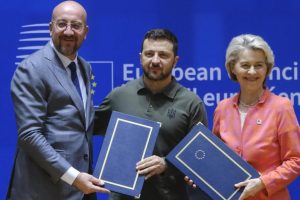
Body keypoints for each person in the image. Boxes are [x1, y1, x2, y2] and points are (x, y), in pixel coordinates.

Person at [7, 1, 110, 199]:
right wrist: (73, 176)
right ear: (50, 27)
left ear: (86, 31)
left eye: (76, 25)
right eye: (62, 24)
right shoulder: (32, 69)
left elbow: (79, 123)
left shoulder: (84, 67)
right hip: (44, 190)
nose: (69, 31)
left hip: (82, 188)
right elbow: (30, 135)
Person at [94, 28, 210, 200]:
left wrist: (166, 163)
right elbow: (85, 131)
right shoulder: (119, 96)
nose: (155, 60)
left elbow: (201, 156)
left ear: (175, 61)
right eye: (149, 54)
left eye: (163, 55)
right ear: (141, 57)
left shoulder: (191, 103)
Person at [186, 34, 300, 200]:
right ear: (233, 67)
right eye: (245, 65)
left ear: (267, 68)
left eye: (259, 65)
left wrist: (263, 182)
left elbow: (296, 160)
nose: (252, 71)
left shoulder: (281, 107)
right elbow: (215, 159)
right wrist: (199, 174)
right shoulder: (222, 108)